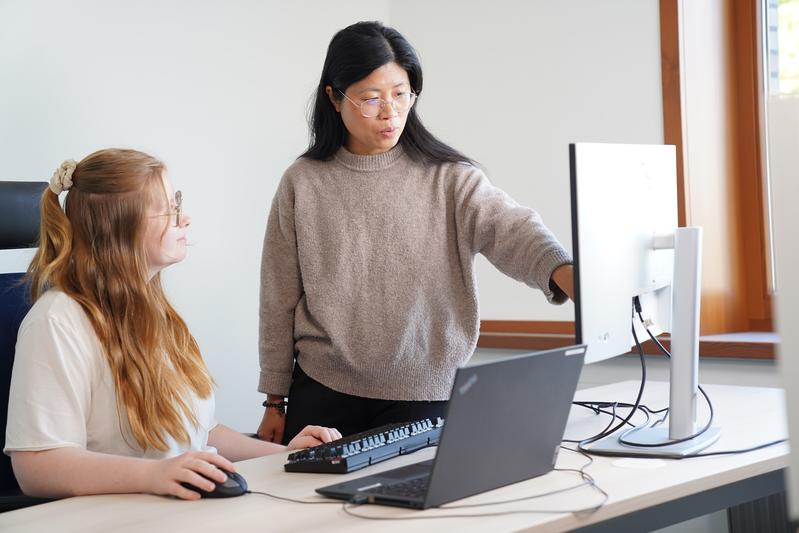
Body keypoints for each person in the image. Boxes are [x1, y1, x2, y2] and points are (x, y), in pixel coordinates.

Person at [256, 21, 575, 445]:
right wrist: (274, 401)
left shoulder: (451, 178)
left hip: (427, 398)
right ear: (334, 97)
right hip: (323, 395)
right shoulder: (303, 182)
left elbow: (511, 228)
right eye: (371, 99)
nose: (390, 113)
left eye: (401, 94)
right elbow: (278, 296)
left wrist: (566, 272)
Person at [4, 149, 341, 500]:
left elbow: (198, 434)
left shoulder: (157, 313)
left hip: (185, 508)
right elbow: (36, 467)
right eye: (169, 208)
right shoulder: (56, 322)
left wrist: (286, 456)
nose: (185, 219)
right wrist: (155, 475)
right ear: (119, 226)